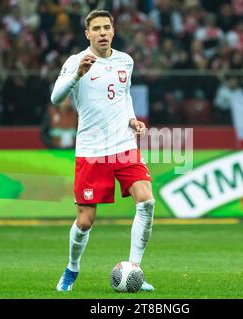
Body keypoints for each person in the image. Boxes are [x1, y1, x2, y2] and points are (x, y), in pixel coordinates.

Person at [50, 10, 155, 292]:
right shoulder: (76, 62)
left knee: (146, 202)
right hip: (92, 150)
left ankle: (134, 269)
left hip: (123, 146)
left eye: (107, 27)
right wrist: (77, 75)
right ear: (87, 33)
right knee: (85, 221)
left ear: (113, 30)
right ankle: (71, 269)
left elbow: (125, 94)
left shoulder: (126, 61)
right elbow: (55, 97)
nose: (103, 32)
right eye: (96, 28)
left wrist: (132, 119)